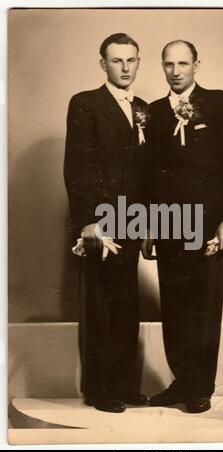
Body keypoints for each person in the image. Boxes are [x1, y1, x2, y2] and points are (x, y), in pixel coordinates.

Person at [142, 40, 223, 413]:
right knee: (174, 305)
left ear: (197, 64)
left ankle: (201, 387)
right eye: (169, 64)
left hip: (207, 226)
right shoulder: (152, 112)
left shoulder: (221, 102)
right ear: (162, 67)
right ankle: (181, 383)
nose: (176, 71)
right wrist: (150, 227)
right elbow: (149, 176)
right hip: (169, 225)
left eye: (183, 63)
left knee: (204, 306)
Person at [64, 33, 148, 413]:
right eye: (117, 61)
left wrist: (148, 225)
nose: (125, 67)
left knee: (127, 303)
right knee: (100, 305)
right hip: (100, 222)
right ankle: (98, 390)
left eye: (131, 60)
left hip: (133, 221)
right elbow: (77, 167)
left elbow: (147, 174)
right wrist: (88, 223)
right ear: (103, 64)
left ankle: (126, 386)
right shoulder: (85, 104)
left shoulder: (144, 107)